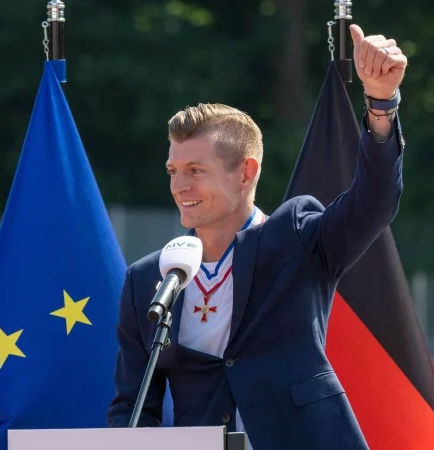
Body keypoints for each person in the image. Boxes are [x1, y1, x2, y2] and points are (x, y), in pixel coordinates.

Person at [107, 24, 407, 450]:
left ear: (246, 172)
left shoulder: (298, 237)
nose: (179, 187)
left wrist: (381, 105)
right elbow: (133, 406)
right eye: (174, 171)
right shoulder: (149, 279)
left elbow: (374, 202)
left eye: (196, 171)